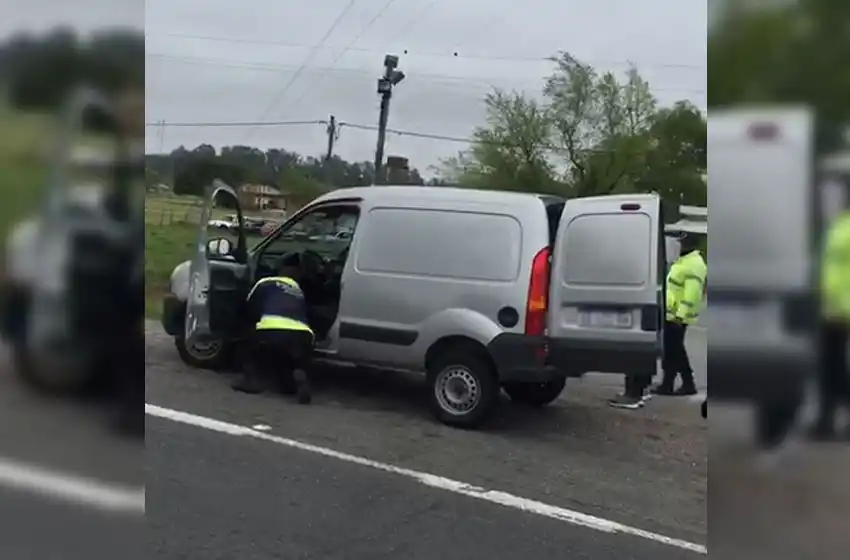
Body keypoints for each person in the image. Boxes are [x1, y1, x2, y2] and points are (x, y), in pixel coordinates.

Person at [231, 263, 315, 404]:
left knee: (244, 341)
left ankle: (251, 381)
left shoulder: (265, 282)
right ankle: (294, 381)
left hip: (273, 330)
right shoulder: (297, 290)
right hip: (304, 335)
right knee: (290, 357)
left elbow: (249, 307)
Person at [808, 209, 850, 439]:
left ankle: (826, 420)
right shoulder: (840, 225)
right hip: (831, 308)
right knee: (829, 368)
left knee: (833, 369)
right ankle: (825, 420)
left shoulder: (843, 228)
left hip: (841, 309)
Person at [652, 232, 707, 397]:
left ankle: (680, 383)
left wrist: (680, 315)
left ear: (689, 244)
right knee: (673, 349)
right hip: (672, 314)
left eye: (682, 242)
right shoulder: (683, 260)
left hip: (678, 316)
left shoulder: (694, 264)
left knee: (675, 350)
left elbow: (692, 293)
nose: (679, 245)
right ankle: (673, 383)